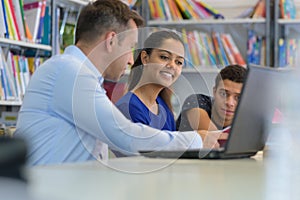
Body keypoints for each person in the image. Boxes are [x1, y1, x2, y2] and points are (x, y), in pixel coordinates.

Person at [14, 0, 220, 165]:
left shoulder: (80, 75)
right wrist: (196, 139)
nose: (132, 60)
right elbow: (125, 136)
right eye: (130, 47)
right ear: (111, 40)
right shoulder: (69, 71)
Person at [116, 30, 185, 131]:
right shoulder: (129, 107)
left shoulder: (163, 106)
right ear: (145, 58)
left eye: (179, 62)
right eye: (164, 57)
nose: (172, 66)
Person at [176, 64, 247, 134]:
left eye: (238, 97)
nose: (229, 103)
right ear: (214, 91)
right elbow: (213, 138)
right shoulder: (197, 101)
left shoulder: (246, 117)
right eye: (223, 94)